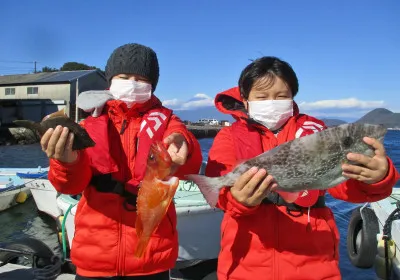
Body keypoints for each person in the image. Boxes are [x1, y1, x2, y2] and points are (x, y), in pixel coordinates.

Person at [205, 56, 400, 280]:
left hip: (314, 264)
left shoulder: (316, 134)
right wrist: (238, 201)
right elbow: (221, 193)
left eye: (281, 96)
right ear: (246, 100)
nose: (272, 102)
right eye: (262, 97)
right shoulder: (229, 136)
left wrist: (378, 178)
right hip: (245, 263)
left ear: (292, 98)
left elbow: (343, 187)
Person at [40, 43, 203, 279]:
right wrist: (66, 162)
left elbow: (190, 162)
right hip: (95, 256)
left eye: (140, 78)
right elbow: (69, 186)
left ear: (152, 84)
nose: (132, 83)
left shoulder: (168, 122)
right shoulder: (87, 125)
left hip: (151, 257)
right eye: (124, 76)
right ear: (111, 80)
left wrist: (183, 145)